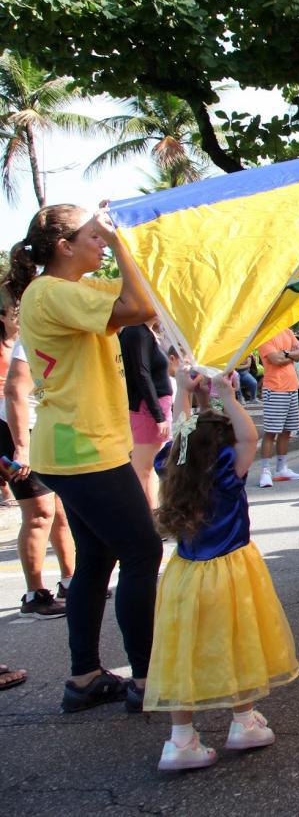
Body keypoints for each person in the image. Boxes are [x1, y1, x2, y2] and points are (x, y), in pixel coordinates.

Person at [6, 203, 161, 713]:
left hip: (77, 443)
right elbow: (136, 310)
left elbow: (146, 302)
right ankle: (145, 679)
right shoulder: (52, 292)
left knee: (97, 558)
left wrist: (126, 250)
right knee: (142, 552)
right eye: (94, 236)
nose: (103, 241)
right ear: (65, 247)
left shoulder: (70, 291)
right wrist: (122, 246)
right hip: (83, 447)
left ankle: (85, 677)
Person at [144, 373, 299, 771]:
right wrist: (228, 396)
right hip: (230, 573)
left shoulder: (171, 465)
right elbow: (249, 437)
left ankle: (180, 740)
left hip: (184, 577)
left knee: (182, 654)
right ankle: (243, 721)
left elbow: (181, 436)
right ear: (224, 447)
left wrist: (184, 393)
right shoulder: (228, 473)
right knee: (236, 643)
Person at [3, 309, 75, 619]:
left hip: (46, 429)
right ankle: (35, 595)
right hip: (18, 433)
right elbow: (14, 391)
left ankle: (71, 581)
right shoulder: (28, 338)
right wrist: (21, 447)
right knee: (39, 514)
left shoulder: (35, 335)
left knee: (60, 510)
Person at [119, 319, 173, 511]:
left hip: (155, 406)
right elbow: (142, 374)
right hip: (149, 408)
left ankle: (151, 518)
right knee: (142, 468)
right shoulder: (136, 332)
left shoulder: (144, 332)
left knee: (148, 469)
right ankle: (141, 519)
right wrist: (158, 415)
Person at [255, 327, 299, 489]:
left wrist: (284, 354)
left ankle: (281, 468)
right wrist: (291, 355)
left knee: (287, 431)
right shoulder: (264, 335)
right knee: (271, 431)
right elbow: (274, 360)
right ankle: (265, 471)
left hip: (292, 387)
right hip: (275, 388)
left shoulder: (287, 331)